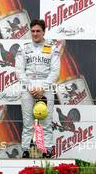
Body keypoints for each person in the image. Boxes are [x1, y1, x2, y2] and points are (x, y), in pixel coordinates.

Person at [15, 19, 60, 158]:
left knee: (46, 122)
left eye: (38, 31)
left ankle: (47, 151)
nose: (35, 34)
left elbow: (55, 71)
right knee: (28, 122)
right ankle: (25, 150)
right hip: (28, 88)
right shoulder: (23, 48)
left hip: (45, 89)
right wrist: (30, 87)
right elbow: (19, 70)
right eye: (33, 31)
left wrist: (42, 88)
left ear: (43, 31)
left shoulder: (53, 48)